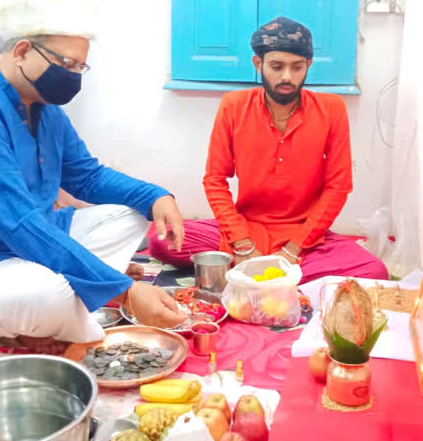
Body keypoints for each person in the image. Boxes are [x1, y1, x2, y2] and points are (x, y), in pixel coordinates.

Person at [0, 0, 187, 353]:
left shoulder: (43, 108)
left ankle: (73, 294)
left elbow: (87, 177)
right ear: (23, 51)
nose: (74, 76)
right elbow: (19, 223)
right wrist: (124, 292)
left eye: (80, 67)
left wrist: (154, 196)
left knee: (128, 216)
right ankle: (74, 301)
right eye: (67, 63)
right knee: (51, 293)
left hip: (25, 251)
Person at [149, 17, 388, 283]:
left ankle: (255, 272)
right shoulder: (234, 106)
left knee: (374, 271)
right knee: (161, 239)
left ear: (308, 65)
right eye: (277, 66)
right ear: (258, 64)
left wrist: (295, 248)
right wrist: (242, 243)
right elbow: (215, 180)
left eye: (297, 67)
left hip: (304, 236)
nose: (287, 76)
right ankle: (277, 275)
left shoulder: (331, 109)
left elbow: (338, 187)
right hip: (246, 228)